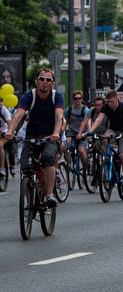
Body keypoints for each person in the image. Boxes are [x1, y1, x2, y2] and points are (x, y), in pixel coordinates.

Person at [5, 67, 64, 206]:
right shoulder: (29, 96)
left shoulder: (57, 96)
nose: (45, 82)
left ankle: (49, 194)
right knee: (26, 166)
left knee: (49, 156)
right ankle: (29, 198)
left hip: (50, 136)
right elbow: (18, 114)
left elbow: (59, 116)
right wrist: (10, 131)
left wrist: (56, 133)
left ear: (52, 82)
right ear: (37, 81)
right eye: (41, 79)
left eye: (48, 80)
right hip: (32, 136)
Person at [87, 89, 123, 197]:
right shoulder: (105, 107)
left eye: (111, 102)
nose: (109, 104)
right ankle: (107, 159)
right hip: (113, 130)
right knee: (104, 138)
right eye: (108, 102)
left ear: (117, 99)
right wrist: (91, 130)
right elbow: (99, 119)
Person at [63, 89, 91, 172]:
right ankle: (69, 162)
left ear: (82, 99)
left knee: (81, 150)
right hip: (72, 130)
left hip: (82, 132)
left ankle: (86, 166)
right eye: (76, 98)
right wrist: (63, 131)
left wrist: (88, 131)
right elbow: (66, 120)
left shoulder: (85, 109)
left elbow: (86, 121)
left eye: (79, 98)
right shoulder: (69, 109)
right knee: (66, 144)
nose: (77, 100)